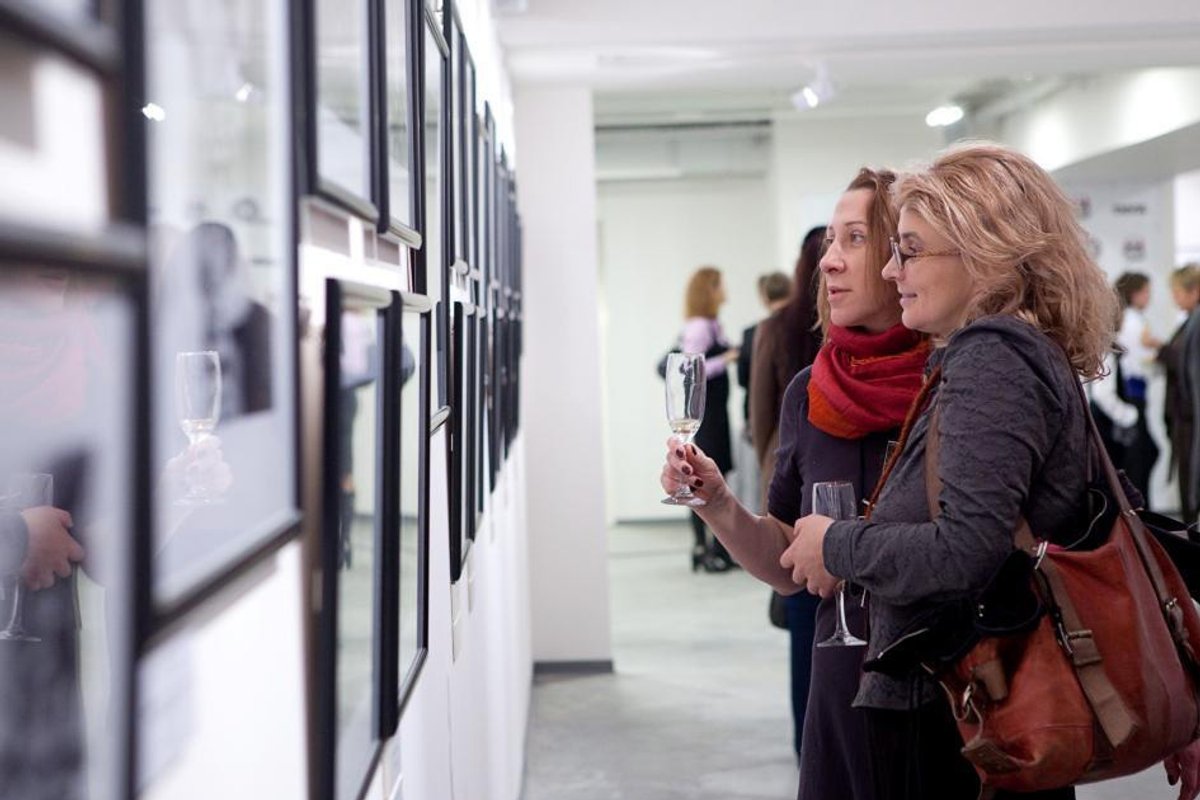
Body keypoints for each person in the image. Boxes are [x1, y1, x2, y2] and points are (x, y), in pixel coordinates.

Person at [781, 142, 1200, 799]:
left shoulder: (991, 358)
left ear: (984, 252)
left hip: (958, 716)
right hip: (984, 713)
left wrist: (836, 543)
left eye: (910, 249)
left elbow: (962, 552)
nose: (892, 271)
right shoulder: (1018, 353)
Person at [661, 168, 930, 798]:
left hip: (949, 702)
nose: (829, 262)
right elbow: (789, 561)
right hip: (839, 691)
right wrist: (718, 503)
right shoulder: (811, 392)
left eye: (854, 240)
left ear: (904, 254)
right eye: (830, 242)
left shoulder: (959, 383)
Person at [748, 224, 826, 764]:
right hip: (814, 498)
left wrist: (774, 476)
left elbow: (759, 418)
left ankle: (809, 750)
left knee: (805, 633)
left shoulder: (778, 327)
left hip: (795, 492)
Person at [678, 266, 739, 572]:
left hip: (717, 411)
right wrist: (725, 360)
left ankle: (718, 548)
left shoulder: (713, 324)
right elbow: (690, 368)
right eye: (721, 284)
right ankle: (704, 548)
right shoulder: (700, 327)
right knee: (701, 479)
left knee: (717, 475)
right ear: (710, 290)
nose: (726, 288)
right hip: (705, 414)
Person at [1114, 270, 1162, 503]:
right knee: (1140, 458)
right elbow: (1138, 361)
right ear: (1134, 294)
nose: (1149, 297)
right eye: (1146, 292)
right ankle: (1142, 511)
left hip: (1134, 394)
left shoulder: (1129, 318)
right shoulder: (1133, 321)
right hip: (1133, 396)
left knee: (1145, 455)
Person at [1160, 264, 1200, 521]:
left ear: (1194, 290)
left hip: (1191, 418)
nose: (1174, 298)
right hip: (1185, 418)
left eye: (1177, 292)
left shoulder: (1195, 325)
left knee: (1191, 482)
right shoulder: (1190, 323)